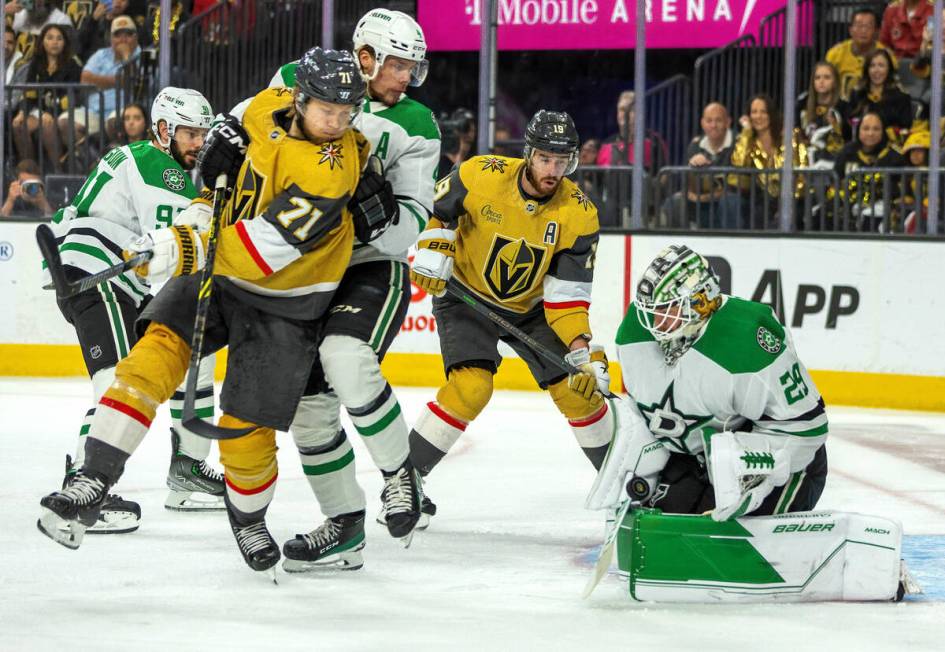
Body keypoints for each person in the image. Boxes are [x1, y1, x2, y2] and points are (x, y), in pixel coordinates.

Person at [36, 49, 393, 579]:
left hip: (287, 300)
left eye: (347, 112)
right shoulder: (266, 107)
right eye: (327, 110)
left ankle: (248, 519)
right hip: (218, 277)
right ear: (299, 98)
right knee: (151, 356)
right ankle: (94, 478)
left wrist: (184, 246)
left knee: (244, 431)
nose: (337, 123)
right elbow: (225, 157)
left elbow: (263, 247)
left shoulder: (333, 170)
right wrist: (205, 196)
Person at [266, 8, 439, 566]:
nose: (405, 78)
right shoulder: (299, 75)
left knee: (345, 355)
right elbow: (260, 136)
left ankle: (400, 473)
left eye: (413, 67)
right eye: (396, 65)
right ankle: (343, 525)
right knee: (310, 411)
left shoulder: (418, 123)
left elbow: (412, 222)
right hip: (306, 265)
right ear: (364, 57)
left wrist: (379, 218)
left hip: (367, 264)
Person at [35, 86, 227, 540]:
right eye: (190, 134)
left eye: (203, 133)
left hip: (111, 279)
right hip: (101, 275)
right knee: (118, 385)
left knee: (188, 360)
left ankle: (187, 468)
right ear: (164, 130)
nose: (198, 143)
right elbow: (184, 241)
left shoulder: (143, 157)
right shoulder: (158, 165)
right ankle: (82, 490)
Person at [406, 110, 613, 526]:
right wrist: (432, 246)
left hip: (532, 310)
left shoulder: (579, 214)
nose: (553, 170)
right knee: (470, 388)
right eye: (545, 158)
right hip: (465, 296)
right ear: (529, 154)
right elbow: (439, 210)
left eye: (562, 160)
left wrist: (580, 350)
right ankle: (404, 484)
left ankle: (622, 486)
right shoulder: (481, 174)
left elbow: (567, 296)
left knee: (578, 390)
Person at [588, 244, 828, 522]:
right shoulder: (636, 331)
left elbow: (807, 429)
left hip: (783, 461)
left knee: (733, 519)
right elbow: (647, 413)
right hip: (698, 458)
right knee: (667, 529)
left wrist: (754, 471)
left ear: (702, 302)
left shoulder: (748, 342)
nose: (655, 321)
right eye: (652, 310)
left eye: (667, 309)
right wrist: (603, 402)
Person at [727, 94, 807, 229]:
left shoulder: (790, 135)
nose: (758, 116)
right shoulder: (748, 140)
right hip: (762, 199)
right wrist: (746, 132)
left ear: (771, 114)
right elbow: (738, 165)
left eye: (763, 111)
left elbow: (800, 170)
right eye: (754, 112)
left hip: (792, 197)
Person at [10, 23, 83, 171]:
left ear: (65, 43)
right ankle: (29, 170)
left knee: (47, 126)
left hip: (64, 111)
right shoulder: (35, 64)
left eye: (59, 38)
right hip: (39, 111)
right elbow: (28, 93)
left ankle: (58, 170)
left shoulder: (73, 65)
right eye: (50, 38)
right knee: (18, 125)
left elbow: (71, 97)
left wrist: (51, 112)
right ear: (42, 41)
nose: (54, 42)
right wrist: (22, 112)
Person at [59, 14, 140, 144]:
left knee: (116, 122)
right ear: (111, 38)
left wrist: (127, 57)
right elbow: (85, 79)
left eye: (128, 34)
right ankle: (91, 160)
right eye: (117, 35)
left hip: (122, 110)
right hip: (93, 111)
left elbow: (131, 81)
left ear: (136, 37)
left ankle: (116, 161)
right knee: (65, 123)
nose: (123, 39)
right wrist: (117, 81)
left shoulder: (141, 55)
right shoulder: (101, 54)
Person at [659, 101, 735, 229]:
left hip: (725, 198)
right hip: (700, 199)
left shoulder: (738, 144)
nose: (713, 125)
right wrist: (692, 167)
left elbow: (735, 186)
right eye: (709, 121)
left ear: (728, 122)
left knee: (730, 201)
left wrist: (703, 197)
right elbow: (686, 185)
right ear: (702, 123)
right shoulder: (695, 145)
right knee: (673, 202)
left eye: (718, 120)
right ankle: (681, 245)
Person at [834, 111, 906, 231]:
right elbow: (836, 178)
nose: (870, 133)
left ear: (883, 131)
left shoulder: (894, 156)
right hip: (848, 205)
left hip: (882, 208)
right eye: (866, 128)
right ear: (859, 130)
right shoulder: (847, 152)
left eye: (876, 129)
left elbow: (901, 188)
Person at [845, 49, 914, 145]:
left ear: (888, 69)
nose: (876, 70)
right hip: (859, 147)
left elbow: (905, 129)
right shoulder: (857, 94)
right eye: (872, 66)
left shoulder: (901, 98)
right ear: (867, 69)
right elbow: (848, 126)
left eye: (881, 65)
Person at [826, 7, 892, 99]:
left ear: (877, 31)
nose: (863, 31)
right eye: (859, 26)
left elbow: (891, 87)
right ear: (851, 30)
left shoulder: (887, 55)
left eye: (868, 26)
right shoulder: (835, 54)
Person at [596, 90, 667, 173]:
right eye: (621, 109)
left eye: (630, 110)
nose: (625, 114)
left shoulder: (654, 141)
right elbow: (598, 179)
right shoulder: (606, 144)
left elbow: (664, 175)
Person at [796, 62, 849, 167]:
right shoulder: (801, 105)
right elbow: (796, 132)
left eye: (827, 77)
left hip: (833, 161)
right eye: (817, 77)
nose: (821, 81)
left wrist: (836, 126)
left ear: (834, 81)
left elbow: (848, 138)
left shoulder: (843, 107)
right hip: (806, 161)